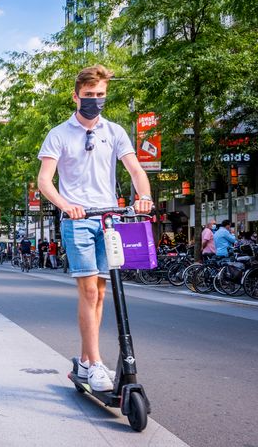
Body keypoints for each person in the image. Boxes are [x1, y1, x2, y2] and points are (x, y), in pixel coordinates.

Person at [37, 64, 152, 392]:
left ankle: (87, 362)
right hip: (77, 220)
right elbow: (45, 181)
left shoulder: (115, 132)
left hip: (108, 219)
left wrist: (143, 196)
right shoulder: (59, 134)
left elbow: (135, 168)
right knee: (88, 291)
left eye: (100, 96)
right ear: (76, 97)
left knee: (102, 292)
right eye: (89, 96)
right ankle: (97, 362)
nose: (95, 101)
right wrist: (65, 205)